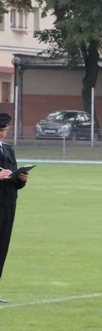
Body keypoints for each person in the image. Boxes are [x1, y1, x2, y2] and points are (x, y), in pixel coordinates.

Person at [0, 112, 29, 302]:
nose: (3, 133)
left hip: (8, 205)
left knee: (2, 248)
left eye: (5, 129)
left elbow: (14, 181)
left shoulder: (8, 150)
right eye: (0, 130)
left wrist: (21, 179)